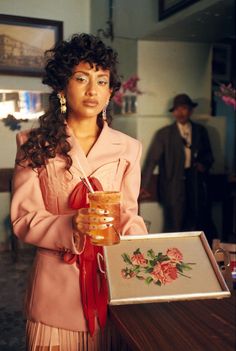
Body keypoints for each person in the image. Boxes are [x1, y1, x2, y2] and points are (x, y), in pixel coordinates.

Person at [10, 33, 147, 351]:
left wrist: (148, 258)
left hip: (113, 284)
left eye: (102, 81)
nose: (92, 90)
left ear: (111, 91)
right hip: (55, 293)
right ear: (61, 87)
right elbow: (23, 218)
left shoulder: (128, 148)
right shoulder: (35, 145)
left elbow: (127, 213)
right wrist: (71, 225)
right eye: (81, 78)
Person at [141, 93, 216, 244]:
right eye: (177, 109)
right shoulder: (164, 134)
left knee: (196, 223)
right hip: (172, 185)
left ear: (190, 110)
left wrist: (203, 165)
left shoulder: (200, 131)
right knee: (174, 225)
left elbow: (209, 156)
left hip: (195, 183)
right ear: (173, 112)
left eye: (184, 108)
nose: (181, 113)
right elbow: (151, 161)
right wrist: (142, 186)